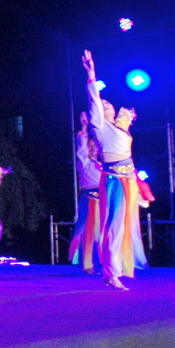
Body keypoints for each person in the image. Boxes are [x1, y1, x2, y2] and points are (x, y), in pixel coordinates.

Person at [81, 50, 147, 290]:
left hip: (127, 179)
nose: (107, 104)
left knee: (126, 227)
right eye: (104, 104)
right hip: (114, 180)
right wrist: (91, 73)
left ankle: (118, 268)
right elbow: (94, 100)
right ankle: (110, 273)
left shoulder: (118, 128)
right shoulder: (99, 125)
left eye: (108, 103)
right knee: (113, 227)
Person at [69, 112, 102, 274]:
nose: (93, 147)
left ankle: (104, 262)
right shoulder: (84, 161)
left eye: (95, 145)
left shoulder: (102, 165)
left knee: (102, 232)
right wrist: (84, 126)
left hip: (103, 200)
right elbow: (81, 145)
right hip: (89, 199)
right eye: (90, 145)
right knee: (87, 231)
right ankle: (87, 264)